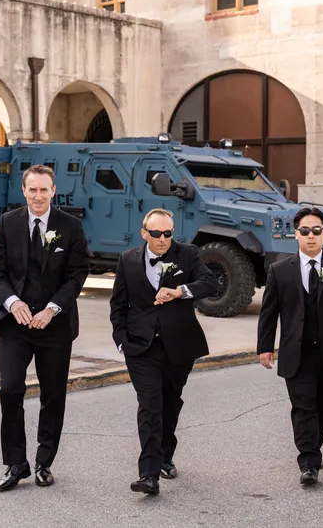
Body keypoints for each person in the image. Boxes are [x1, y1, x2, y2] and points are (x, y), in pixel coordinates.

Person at [0, 164, 90, 491]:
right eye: (33, 190)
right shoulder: (7, 223)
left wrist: (53, 308)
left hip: (54, 327)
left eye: (44, 190)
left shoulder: (70, 227)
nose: (38, 196)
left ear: (53, 191)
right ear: (24, 190)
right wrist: (12, 302)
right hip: (15, 325)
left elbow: (77, 274)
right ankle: (16, 464)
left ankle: (45, 462)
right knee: (10, 389)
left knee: (53, 394)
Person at [109, 208, 218, 495]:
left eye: (167, 233)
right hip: (139, 346)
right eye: (156, 233)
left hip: (178, 345)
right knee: (150, 405)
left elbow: (210, 283)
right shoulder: (128, 260)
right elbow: (118, 305)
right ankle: (148, 474)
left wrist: (180, 291)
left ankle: (165, 454)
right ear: (144, 233)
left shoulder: (188, 254)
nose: (162, 239)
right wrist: (121, 340)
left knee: (170, 403)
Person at [257, 207, 323, 486]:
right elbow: (269, 312)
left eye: (316, 230)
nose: (310, 236)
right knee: (302, 406)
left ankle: (314, 445)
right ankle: (308, 461)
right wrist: (265, 346)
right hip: (297, 353)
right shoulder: (279, 271)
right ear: (296, 235)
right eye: (304, 231)